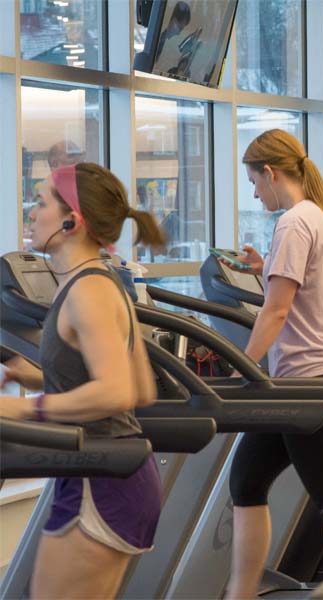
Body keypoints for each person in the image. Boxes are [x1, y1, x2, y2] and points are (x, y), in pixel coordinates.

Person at [0, 162, 166, 598]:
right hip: (114, 475)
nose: (31, 214)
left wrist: (22, 407)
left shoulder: (87, 292)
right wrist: (37, 375)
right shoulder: (99, 279)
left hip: (100, 480)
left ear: (73, 220)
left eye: (40, 203)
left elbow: (117, 391)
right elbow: (142, 388)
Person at [219, 129, 323, 599]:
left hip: (308, 384)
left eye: (254, 182)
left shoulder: (292, 222)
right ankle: (240, 594)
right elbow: (299, 292)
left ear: (271, 173)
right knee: (247, 479)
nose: (253, 192)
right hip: (312, 378)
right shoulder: (320, 219)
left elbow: (278, 309)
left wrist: (243, 366)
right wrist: (264, 267)